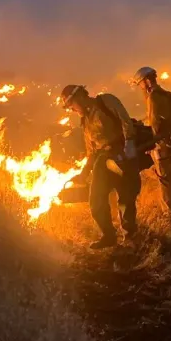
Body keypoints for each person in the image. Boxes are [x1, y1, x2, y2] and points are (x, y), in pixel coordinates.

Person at [60, 84, 142, 250]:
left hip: (121, 154)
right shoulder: (85, 121)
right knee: (96, 199)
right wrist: (83, 173)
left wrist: (130, 143)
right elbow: (91, 151)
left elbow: (125, 120)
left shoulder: (106, 101)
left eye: (71, 105)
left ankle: (130, 234)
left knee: (126, 196)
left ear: (80, 97)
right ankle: (108, 235)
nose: (72, 110)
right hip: (103, 160)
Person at [131, 66, 171, 215]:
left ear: (146, 81)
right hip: (170, 139)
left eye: (140, 83)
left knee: (164, 177)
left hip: (161, 142)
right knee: (167, 176)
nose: (140, 87)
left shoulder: (153, 96)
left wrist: (152, 142)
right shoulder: (164, 94)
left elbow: (155, 122)